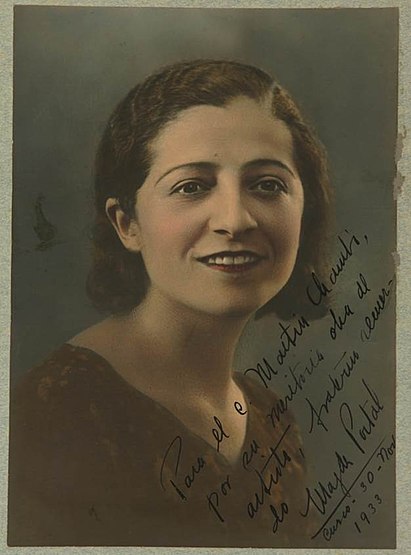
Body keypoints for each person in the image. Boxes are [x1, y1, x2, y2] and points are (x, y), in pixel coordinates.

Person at [8, 60, 332, 547]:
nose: (235, 220)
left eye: (267, 184)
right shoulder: (55, 412)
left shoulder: (271, 419)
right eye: (191, 187)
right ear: (127, 224)